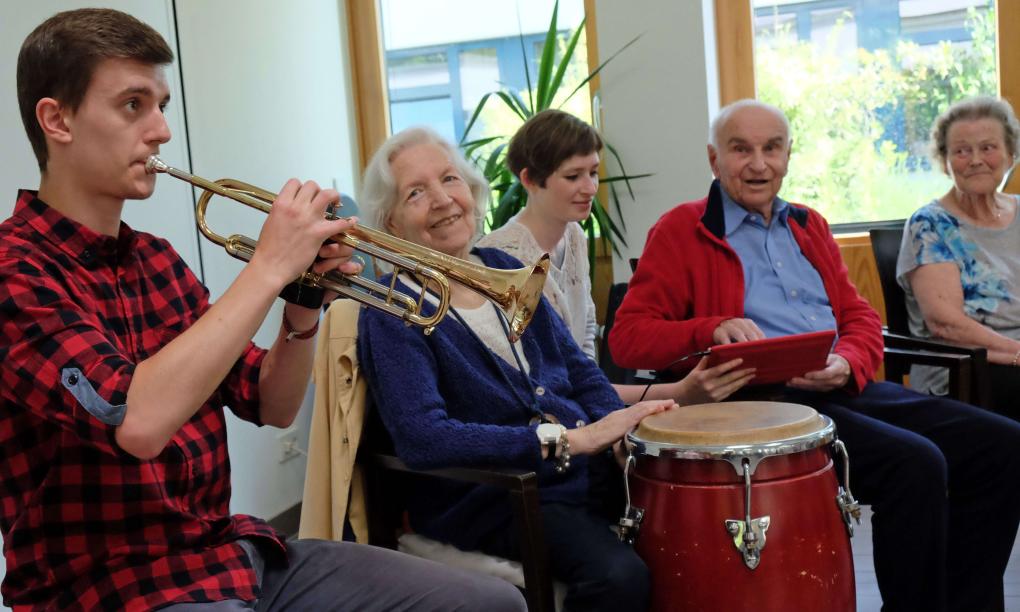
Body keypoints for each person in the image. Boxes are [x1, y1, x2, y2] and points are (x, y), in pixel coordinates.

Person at [0, 9, 526, 611]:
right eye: (132, 105)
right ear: (56, 119)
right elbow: (137, 423)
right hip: (108, 589)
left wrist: (300, 307)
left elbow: (272, 404)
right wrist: (269, 266)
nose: (161, 131)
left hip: (223, 553)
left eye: (162, 105)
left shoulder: (157, 262)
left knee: (490, 602)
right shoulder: (15, 270)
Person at [608, 98, 1020, 612]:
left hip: (841, 385)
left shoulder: (809, 225)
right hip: (761, 406)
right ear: (715, 160)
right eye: (742, 149)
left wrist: (847, 361)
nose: (759, 163)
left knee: (1002, 444)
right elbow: (627, 337)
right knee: (915, 464)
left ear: (787, 155)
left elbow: (861, 318)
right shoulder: (680, 229)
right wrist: (710, 328)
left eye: (771, 148)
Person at [357, 125, 679, 612]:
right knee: (619, 579)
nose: (443, 200)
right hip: (497, 496)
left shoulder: (501, 267)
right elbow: (422, 436)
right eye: (416, 193)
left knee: (694, 518)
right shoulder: (392, 309)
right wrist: (563, 441)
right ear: (393, 224)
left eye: (450, 179)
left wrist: (617, 432)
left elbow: (579, 369)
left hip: (574, 474)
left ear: (473, 191)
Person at [477, 109, 754, 405]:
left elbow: (582, 351)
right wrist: (676, 393)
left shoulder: (574, 236)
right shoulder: (500, 257)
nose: (590, 188)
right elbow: (541, 382)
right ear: (530, 179)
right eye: (573, 176)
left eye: (593, 172)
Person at [897, 96, 1020, 417]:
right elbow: (946, 325)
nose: (976, 159)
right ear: (945, 161)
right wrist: (1018, 354)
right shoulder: (930, 224)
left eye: (988, 147)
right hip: (964, 368)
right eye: (962, 150)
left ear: (1011, 154)